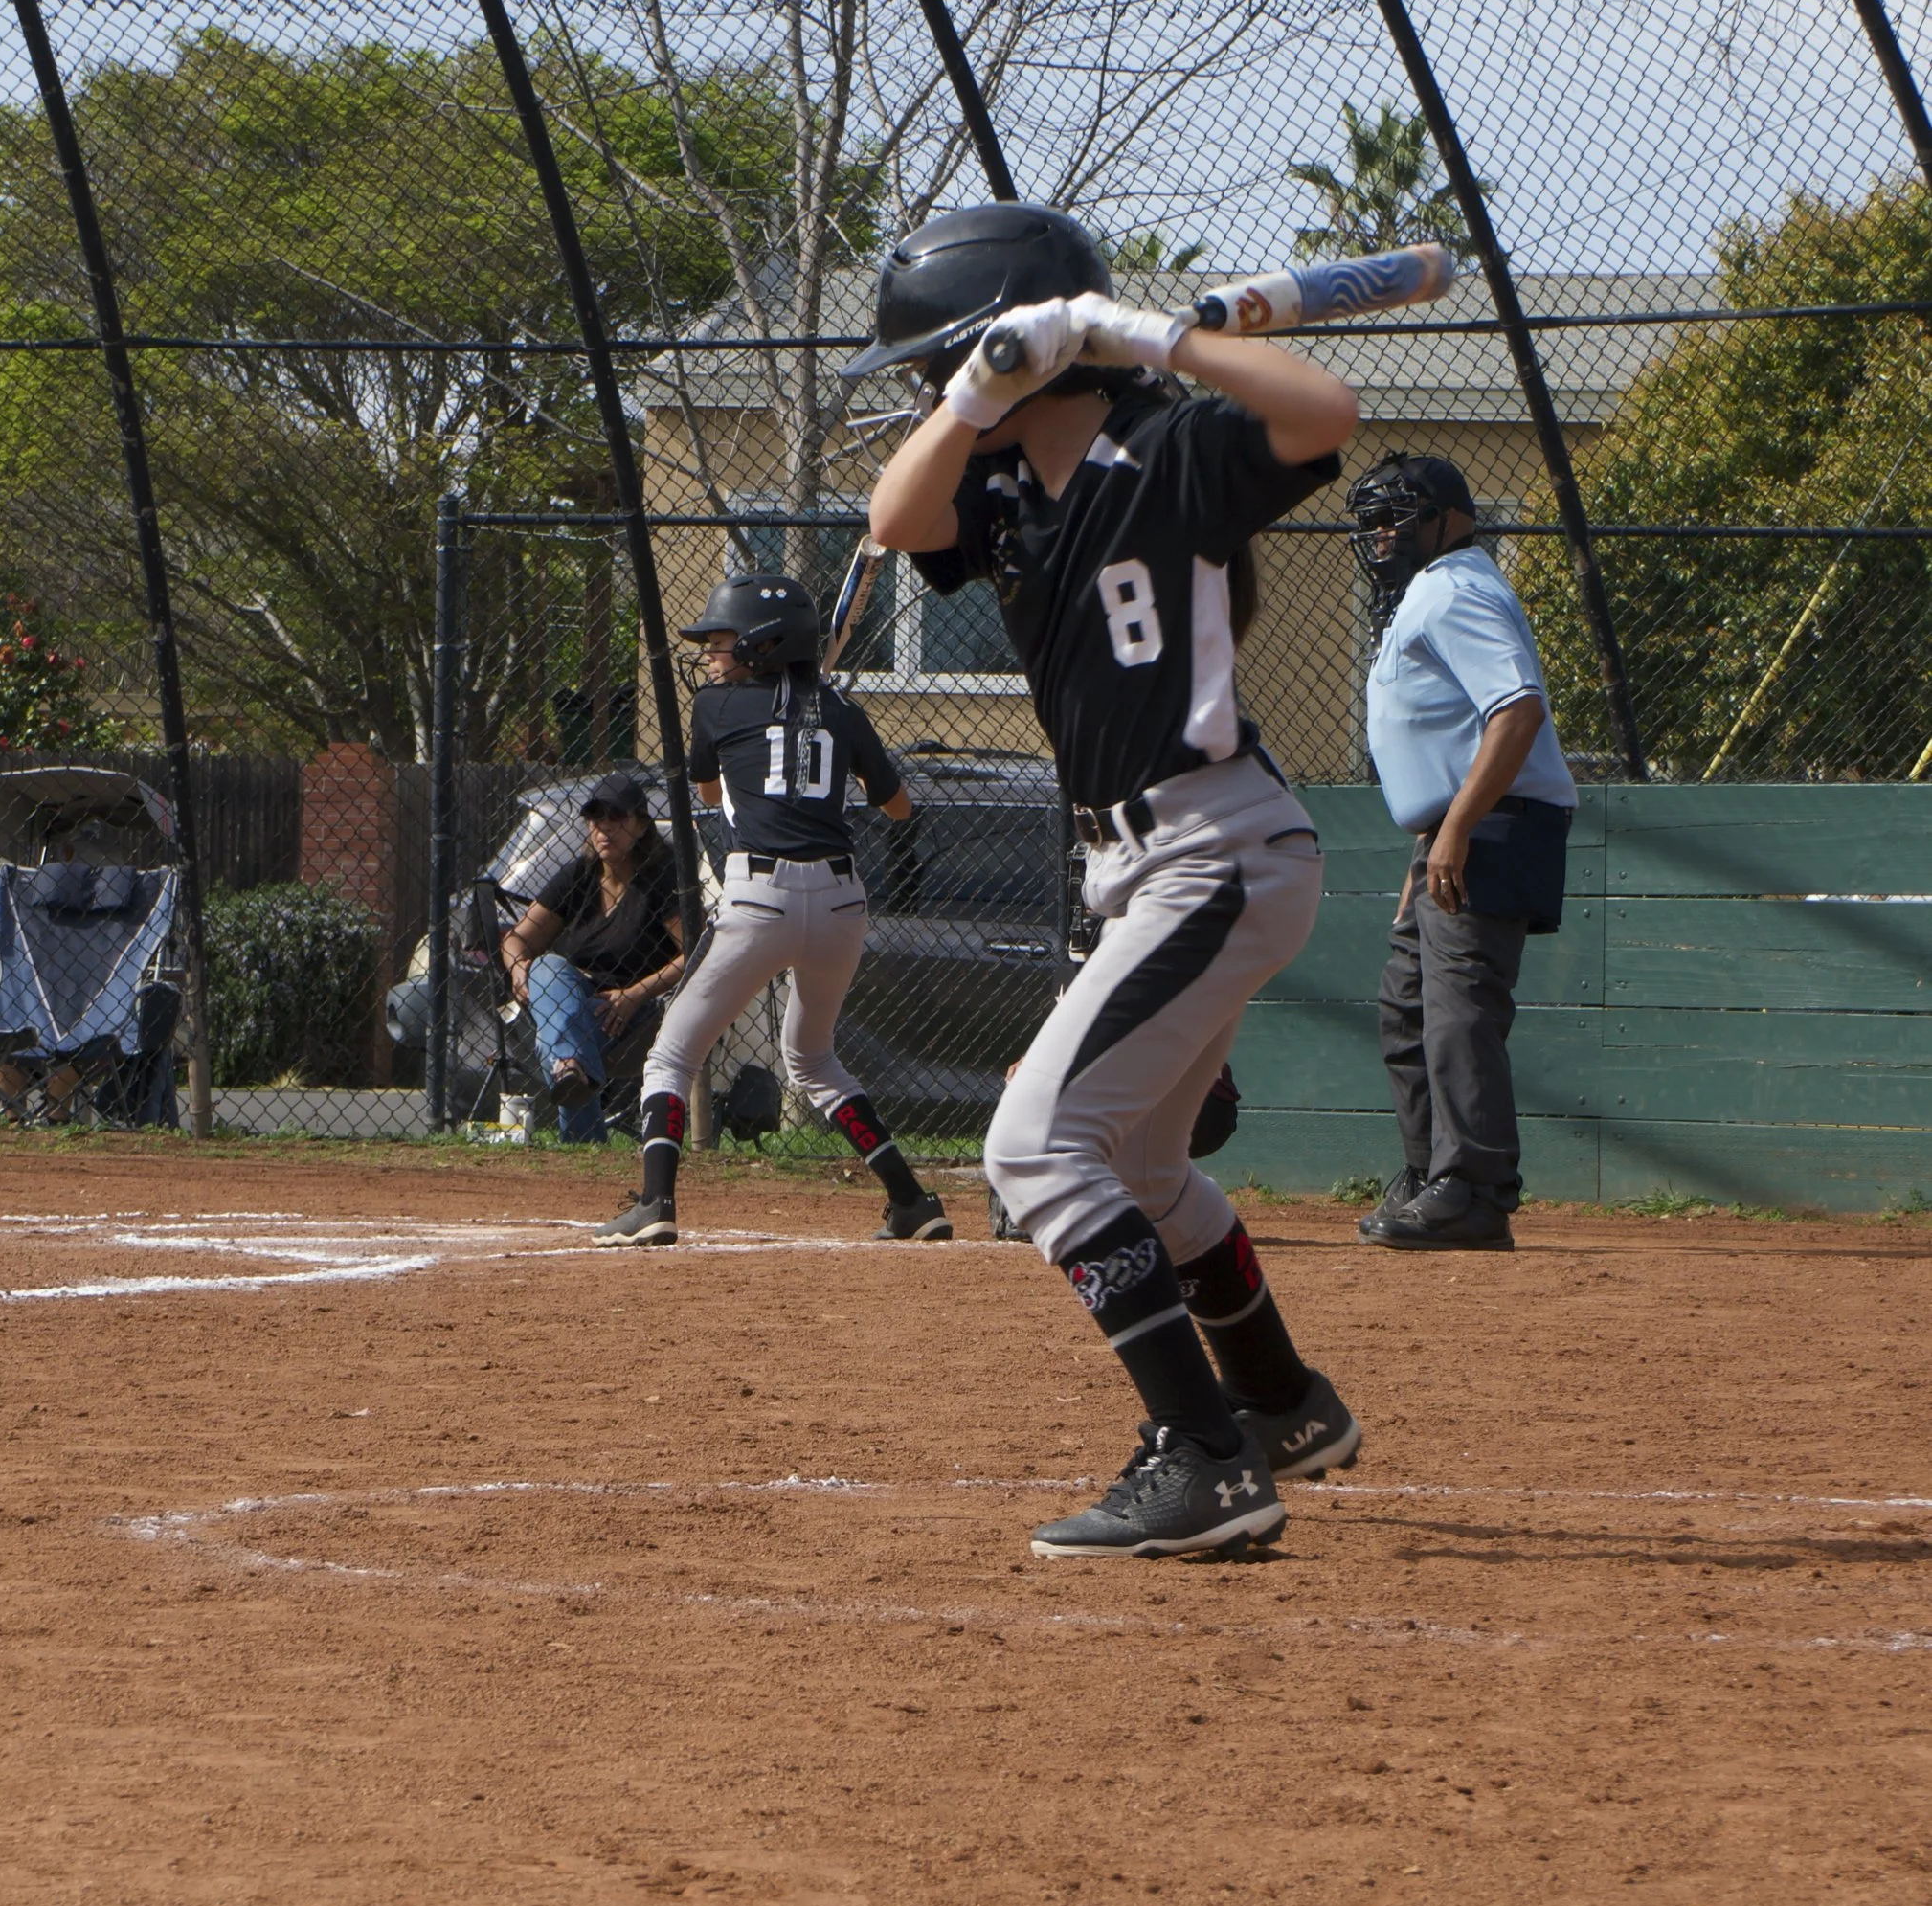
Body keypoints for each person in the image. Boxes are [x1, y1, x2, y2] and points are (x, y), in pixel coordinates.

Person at [861, 198, 1361, 1560]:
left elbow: (1325, 407)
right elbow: (891, 515)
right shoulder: (1004, 490)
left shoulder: (1175, 450)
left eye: (936, 361)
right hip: (1139, 868)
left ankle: (1204, 1459)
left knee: (1031, 1150)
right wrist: (979, 388)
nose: (926, 389)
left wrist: (1150, 334)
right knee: (1138, 1159)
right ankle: (1279, 1405)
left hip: (1215, 845)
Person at [595, 571, 950, 1248]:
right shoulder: (844, 711)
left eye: (721, 641)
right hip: (844, 903)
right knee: (814, 1060)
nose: (708, 653)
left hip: (761, 897)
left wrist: (760, 766)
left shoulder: (717, 707)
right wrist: (831, 741)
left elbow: (706, 789)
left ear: (763, 644)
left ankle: (656, 1202)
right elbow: (900, 809)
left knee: (672, 1054)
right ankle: (910, 1201)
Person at [1345, 454, 1578, 1252]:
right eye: (1371, 522)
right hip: (1456, 833)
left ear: (1447, 517)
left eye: (1397, 517)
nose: (1381, 536)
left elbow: (1515, 712)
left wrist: (1454, 830)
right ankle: (1431, 1176)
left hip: (1490, 826)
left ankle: (1475, 1189)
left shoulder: (1456, 587)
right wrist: (1431, 843)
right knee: (1407, 1009)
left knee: (1457, 1016)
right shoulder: (1431, 591)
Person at [498, 771, 686, 1140]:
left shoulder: (661, 878)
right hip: (571, 997)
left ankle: (573, 1088)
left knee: (555, 1038)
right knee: (548, 967)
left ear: (642, 825)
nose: (605, 828)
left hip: (632, 1009)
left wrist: (635, 996)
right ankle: (572, 1068)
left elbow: (693, 953)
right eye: (596, 818)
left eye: (617, 817)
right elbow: (515, 940)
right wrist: (519, 970)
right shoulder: (579, 875)